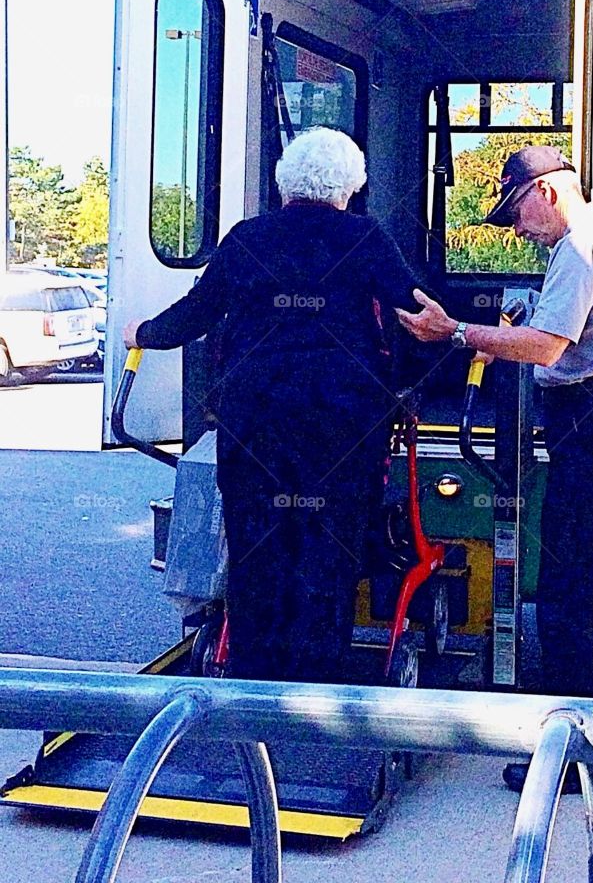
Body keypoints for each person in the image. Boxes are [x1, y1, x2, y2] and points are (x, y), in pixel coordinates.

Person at [397, 145, 593, 794]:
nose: (519, 229)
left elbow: (544, 346)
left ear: (547, 193)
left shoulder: (579, 249)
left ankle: (576, 762)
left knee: (567, 600)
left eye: (517, 211)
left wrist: (458, 332)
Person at [123, 127, 424, 684]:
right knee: (328, 551)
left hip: (255, 420)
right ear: (350, 187)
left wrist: (143, 332)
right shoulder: (366, 238)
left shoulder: (247, 239)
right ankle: (314, 686)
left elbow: (197, 312)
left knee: (257, 547)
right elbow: (416, 313)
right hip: (342, 424)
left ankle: (254, 681)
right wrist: (416, 380)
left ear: (285, 184)